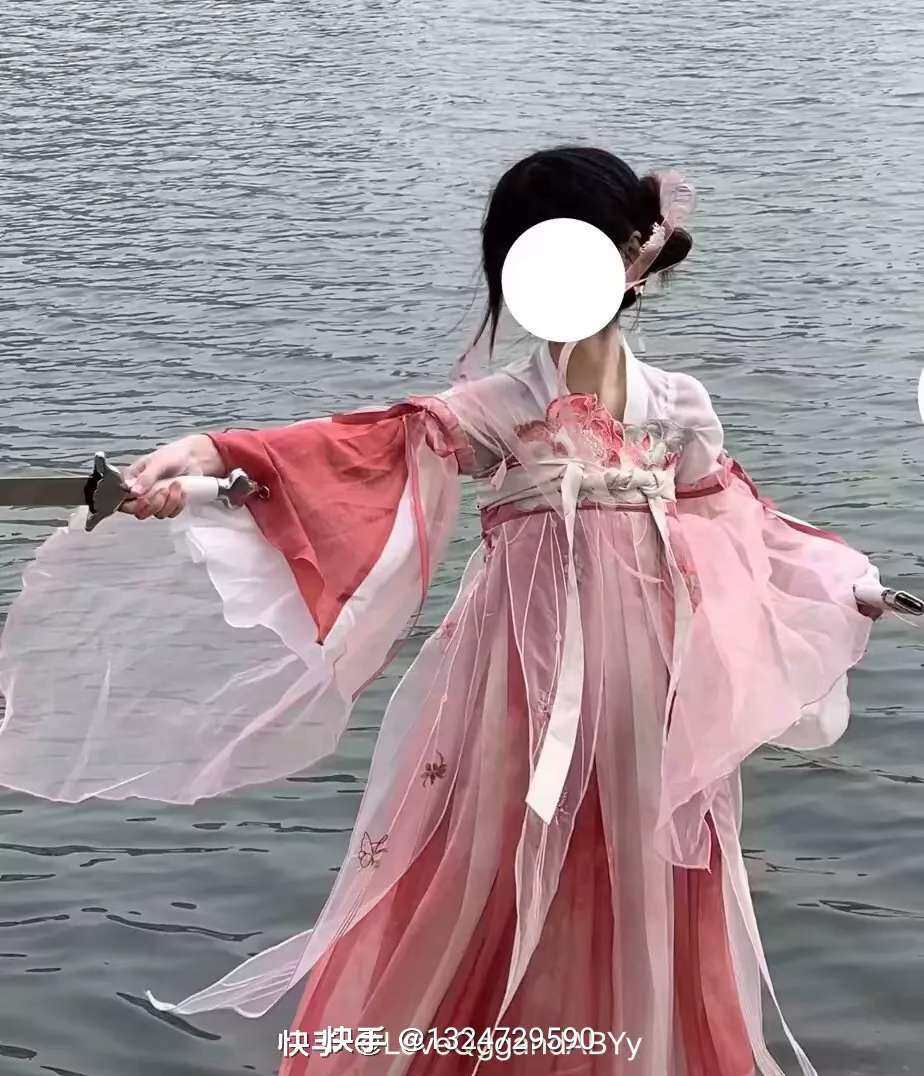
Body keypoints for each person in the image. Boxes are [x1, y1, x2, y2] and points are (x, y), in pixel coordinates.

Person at [0, 148, 882, 1075]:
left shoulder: (680, 407)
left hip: (653, 701)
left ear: (633, 255)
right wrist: (215, 460)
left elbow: (743, 527)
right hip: (522, 691)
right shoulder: (503, 407)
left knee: (647, 878)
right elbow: (360, 455)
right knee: (491, 875)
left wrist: (850, 587)